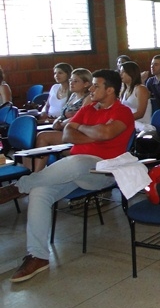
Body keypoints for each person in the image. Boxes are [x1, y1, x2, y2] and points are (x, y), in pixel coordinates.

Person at [0, 69, 135, 283]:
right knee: (40, 192)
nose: (91, 89)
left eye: (96, 86)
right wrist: (90, 130)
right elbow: (67, 134)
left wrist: (82, 128)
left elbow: (106, 133)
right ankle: (38, 256)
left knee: (76, 161)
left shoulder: (123, 111)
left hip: (103, 170)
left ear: (110, 90)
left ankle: (18, 187)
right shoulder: (88, 108)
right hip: (74, 171)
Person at [28, 68, 93, 172]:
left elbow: (80, 117)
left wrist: (62, 123)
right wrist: (56, 121)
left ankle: (37, 173)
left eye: (75, 81)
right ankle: (32, 170)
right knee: (33, 136)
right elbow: (63, 113)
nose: (71, 83)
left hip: (75, 132)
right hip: (63, 128)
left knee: (43, 136)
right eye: (71, 80)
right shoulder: (73, 95)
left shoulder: (88, 97)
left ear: (86, 84)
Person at [119, 61, 153, 132]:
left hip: (141, 124)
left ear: (131, 73)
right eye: (120, 71)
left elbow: (140, 114)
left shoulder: (141, 89)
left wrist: (123, 119)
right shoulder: (124, 90)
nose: (120, 74)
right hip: (130, 122)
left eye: (123, 72)